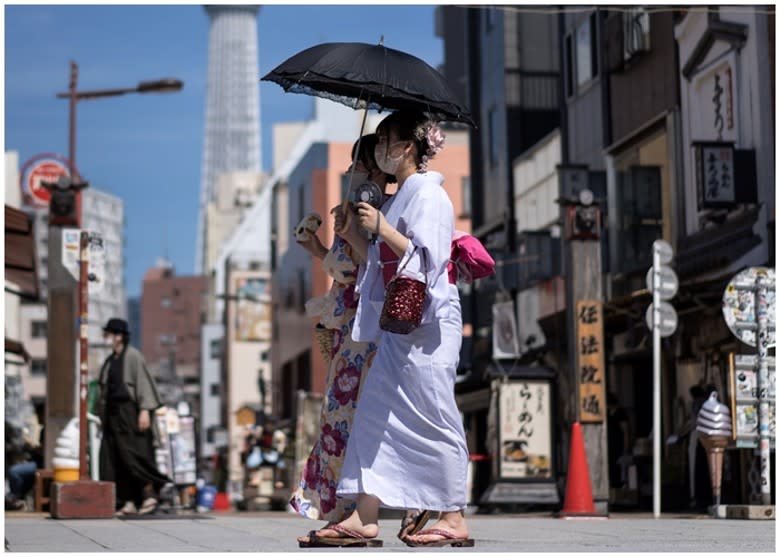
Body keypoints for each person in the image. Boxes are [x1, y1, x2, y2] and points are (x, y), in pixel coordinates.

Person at [302, 110, 473, 548]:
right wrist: (359, 234)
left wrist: (381, 229)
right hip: (396, 323)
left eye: (387, 142)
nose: (381, 150)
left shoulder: (430, 198)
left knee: (433, 413)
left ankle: (452, 514)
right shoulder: (399, 200)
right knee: (374, 412)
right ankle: (364, 514)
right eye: (376, 144)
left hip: (429, 323)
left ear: (408, 148)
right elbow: (376, 264)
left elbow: (429, 258)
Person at [292, 135, 431, 540]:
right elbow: (347, 266)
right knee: (349, 419)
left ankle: (355, 512)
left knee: (352, 419)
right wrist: (320, 247)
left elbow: (368, 267)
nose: (354, 172)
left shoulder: (379, 209)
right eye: (353, 164)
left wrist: (347, 236)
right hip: (353, 329)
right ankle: (354, 510)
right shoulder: (369, 208)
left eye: (362, 164)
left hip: (366, 329)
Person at [97, 317, 171, 517]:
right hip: (113, 416)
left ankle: (149, 495)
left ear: (119, 337)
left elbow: (143, 384)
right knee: (115, 459)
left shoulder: (133, 356)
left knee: (136, 455)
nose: (105, 338)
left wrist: (145, 410)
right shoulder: (110, 360)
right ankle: (127, 500)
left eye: (108, 334)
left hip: (130, 413)